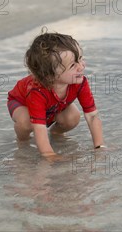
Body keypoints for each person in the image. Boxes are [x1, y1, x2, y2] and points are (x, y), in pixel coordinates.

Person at [7, 31, 105, 159]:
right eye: (73, 65)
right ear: (50, 75)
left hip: (53, 106)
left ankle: (55, 132)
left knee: (73, 117)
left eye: (80, 58)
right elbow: (39, 127)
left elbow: (92, 116)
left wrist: (99, 147)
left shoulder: (79, 82)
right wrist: (49, 155)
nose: (81, 66)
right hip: (21, 102)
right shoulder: (37, 91)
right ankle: (22, 139)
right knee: (26, 122)